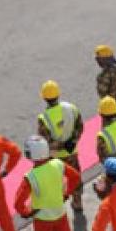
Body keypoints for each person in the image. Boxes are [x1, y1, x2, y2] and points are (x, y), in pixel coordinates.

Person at [37, 80, 84, 211]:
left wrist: (59, 145)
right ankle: (77, 202)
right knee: (75, 178)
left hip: (55, 157)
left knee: (56, 181)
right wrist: (72, 142)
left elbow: (45, 141)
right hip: (72, 152)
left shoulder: (44, 118)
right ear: (58, 94)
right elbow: (79, 127)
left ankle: (57, 205)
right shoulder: (71, 108)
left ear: (44, 98)